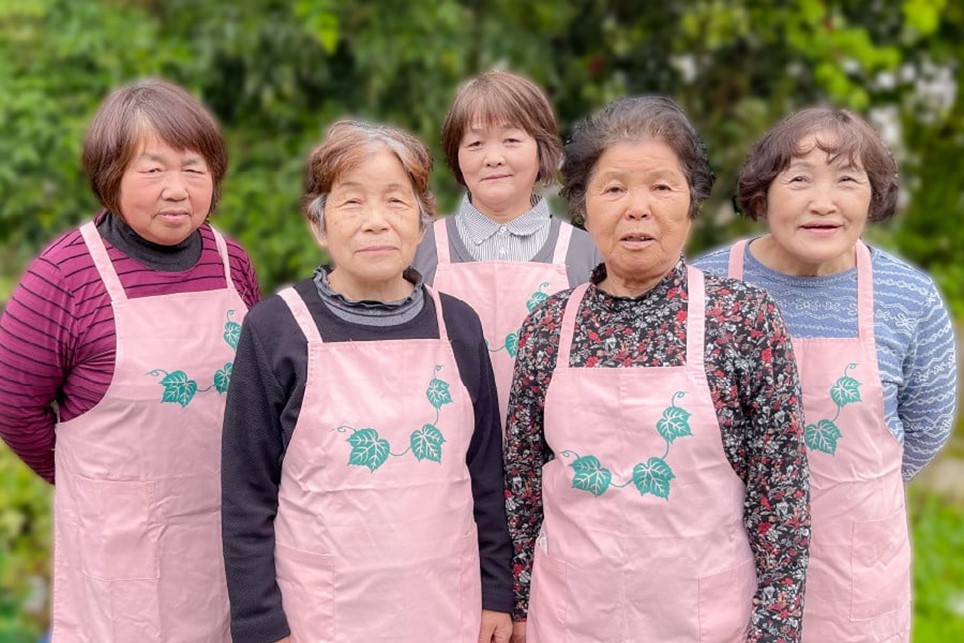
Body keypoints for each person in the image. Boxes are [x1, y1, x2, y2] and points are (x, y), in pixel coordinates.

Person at [504, 96, 812, 642]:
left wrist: (775, 630)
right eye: (614, 187)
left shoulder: (743, 319)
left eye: (662, 187)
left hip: (704, 619)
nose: (637, 208)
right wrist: (522, 605)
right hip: (572, 617)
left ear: (692, 201)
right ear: (582, 205)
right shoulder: (547, 329)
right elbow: (524, 484)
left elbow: (780, 496)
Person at [221, 120, 513, 643]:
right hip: (323, 613)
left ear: (422, 222)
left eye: (396, 202)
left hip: (448, 603)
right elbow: (246, 494)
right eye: (352, 203)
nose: (376, 222)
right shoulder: (276, 329)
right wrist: (262, 623)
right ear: (319, 224)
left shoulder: (460, 326)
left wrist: (497, 592)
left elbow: (486, 473)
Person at [0, 78, 260, 641]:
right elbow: (13, 405)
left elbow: (257, 390)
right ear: (109, 176)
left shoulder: (230, 259)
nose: (177, 189)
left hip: (227, 528)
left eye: (194, 168)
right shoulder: (63, 275)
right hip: (124, 542)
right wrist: (90, 480)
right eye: (153, 169)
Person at [694, 107, 958, 642]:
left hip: (853, 573)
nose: (823, 202)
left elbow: (927, 428)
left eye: (847, 180)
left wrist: (851, 492)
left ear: (873, 195)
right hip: (726, 559)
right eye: (798, 179)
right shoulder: (705, 285)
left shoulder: (908, 298)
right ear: (762, 194)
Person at [413, 70, 600, 426]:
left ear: (542, 149)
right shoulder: (418, 250)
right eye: (475, 143)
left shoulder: (588, 253)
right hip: (447, 457)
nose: (493, 158)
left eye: (511, 140)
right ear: (456, 157)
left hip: (554, 456)